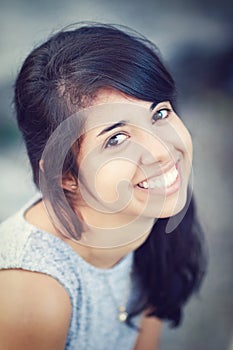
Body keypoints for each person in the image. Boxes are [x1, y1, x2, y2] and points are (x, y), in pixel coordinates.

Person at [0, 23, 207, 350]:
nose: (161, 150)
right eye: (117, 138)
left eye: (159, 113)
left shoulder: (144, 216)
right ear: (64, 176)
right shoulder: (33, 292)